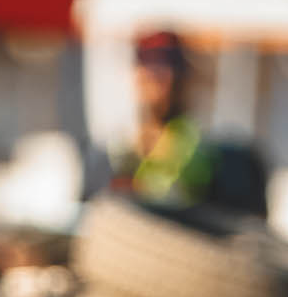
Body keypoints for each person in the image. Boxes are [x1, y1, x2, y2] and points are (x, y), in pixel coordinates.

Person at [109, 28, 268, 218]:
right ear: (137, 77)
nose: (163, 80)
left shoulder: (209, 157)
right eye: (152, 68)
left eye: (170, 69)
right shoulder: (117, 155)